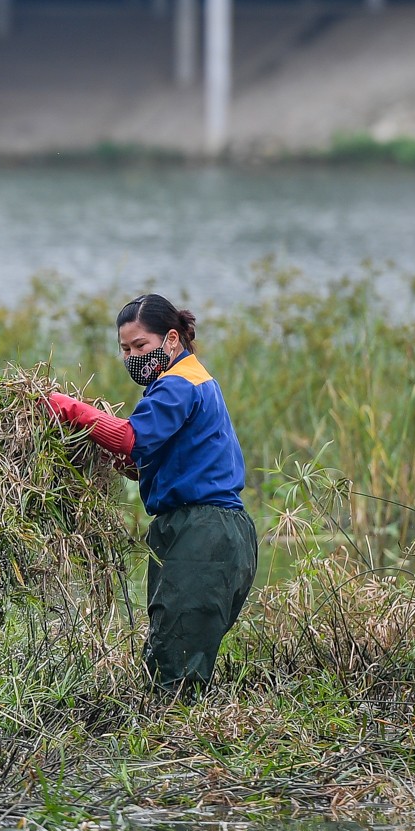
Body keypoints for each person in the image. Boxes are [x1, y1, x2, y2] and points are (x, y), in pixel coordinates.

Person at [45, 294, 258, 691]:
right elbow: (147, 458)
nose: (132, 357)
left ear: (172, 339)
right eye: (125, 350)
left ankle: (175, 748)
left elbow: (131, 438)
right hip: (206, 531)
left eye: (141, 346)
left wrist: (69, 409)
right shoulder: (191, 380)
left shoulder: (178, 384)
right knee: (172, 646)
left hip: (205, 533)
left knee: (175, 667)